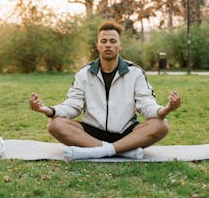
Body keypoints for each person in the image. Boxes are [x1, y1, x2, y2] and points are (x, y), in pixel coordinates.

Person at [29, 21, 181, 160]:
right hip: (91, 132)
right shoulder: (84, 74)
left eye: (113, 41)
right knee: (54, 124)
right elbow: (73, 105)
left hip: (126, 133)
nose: (108, 45)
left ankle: (99, 151)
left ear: (120, 45)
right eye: (104, 41)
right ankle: (121, 151)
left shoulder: (135, 73)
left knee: (161, 125)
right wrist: (48, 110)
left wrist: (166, 109)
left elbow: (147, 105)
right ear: (98, 46)